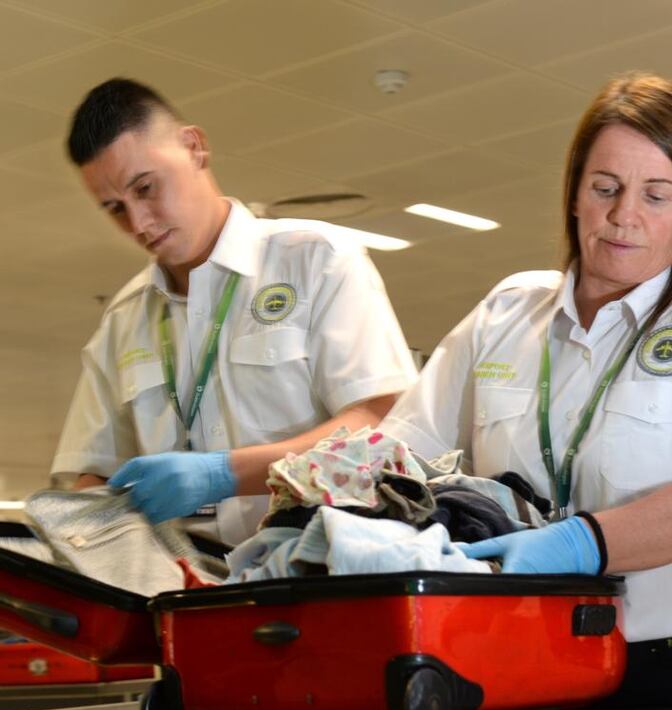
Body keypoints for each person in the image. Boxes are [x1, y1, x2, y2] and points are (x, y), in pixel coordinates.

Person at [380, 72, 672, 706]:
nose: (623, 216)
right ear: (575, 194)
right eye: (605, 188)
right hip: (537, 657)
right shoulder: (507, 314)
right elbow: (397, 452)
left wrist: (578, 542)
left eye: (656, 196)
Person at [51, 78, 417, 545]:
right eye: (115, 208)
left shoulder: (316, 260)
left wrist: (226, 473)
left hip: (317, 573)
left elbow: (380, 422)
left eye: (145, 188)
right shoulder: (123, 322)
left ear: (194, 148)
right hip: (180, 590)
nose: (138, 223)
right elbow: (92, 474)